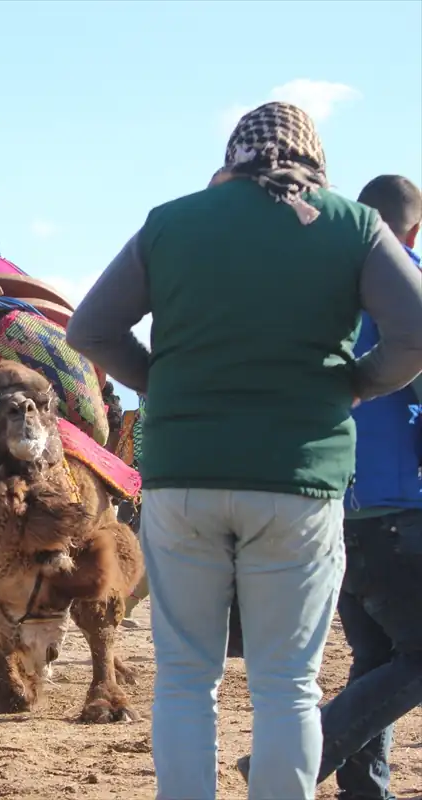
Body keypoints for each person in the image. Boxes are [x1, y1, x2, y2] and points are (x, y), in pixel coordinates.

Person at [65, 103, 422, 800]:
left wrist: (163, 383)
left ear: (232, 159)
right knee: (288, 684)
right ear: (311, 161)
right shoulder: (352, 224)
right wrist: (353, 387)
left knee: (187, 677)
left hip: (183, 478)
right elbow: (413, 335)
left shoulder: (172, 221)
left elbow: (91, 328)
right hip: (299, 479)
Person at [238, 174, 422, 799]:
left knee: (376, 658)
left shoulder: (323, 292)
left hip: (324, 507)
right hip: (396, 510)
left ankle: (366, 790)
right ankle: (292, 760)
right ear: (413, 231)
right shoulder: (410, 287)